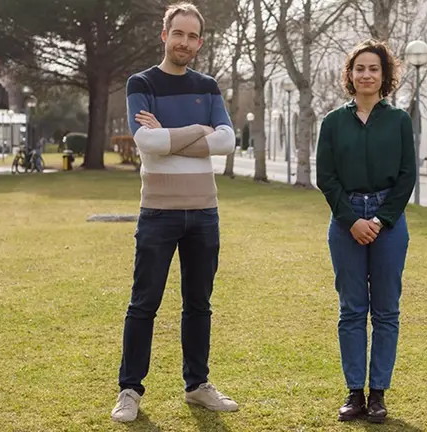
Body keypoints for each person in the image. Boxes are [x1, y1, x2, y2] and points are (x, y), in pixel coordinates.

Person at [111, 2, 238, 423]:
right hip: (158, 213)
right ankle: (129, 390)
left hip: (204, 212)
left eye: (192, 36)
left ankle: (198, 386)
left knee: (198, 303)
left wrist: (167, 135)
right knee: (143, 303)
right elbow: (145, 144)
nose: (184, 42)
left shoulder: (209, 85)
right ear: (164, 35)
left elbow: (227, 142)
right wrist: (199, 130)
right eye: (177, 33)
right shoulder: (141, 82)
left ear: (199, 43)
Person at [316, 39, 416, 424]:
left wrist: (380, 220)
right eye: (360, 69)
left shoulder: (399, 120)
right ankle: (354, 392)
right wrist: (351, 219)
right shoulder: (332, 122)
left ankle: (378, 395)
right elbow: (326, 177)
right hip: (346, 222)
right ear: (350, 75)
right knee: (352, 309)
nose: (367, 75)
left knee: (386, 310)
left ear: (385, 75)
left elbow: (407, 176)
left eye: (374, 69)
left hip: (388, 223)